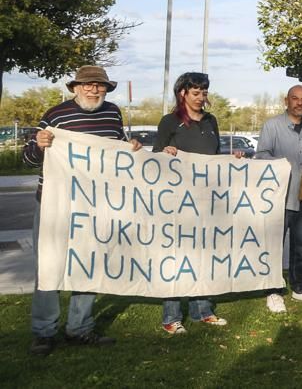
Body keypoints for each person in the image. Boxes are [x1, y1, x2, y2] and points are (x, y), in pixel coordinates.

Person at [24, 66, 140, 355]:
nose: (93, 90)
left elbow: (115, 152)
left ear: (106, 89)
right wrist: (39, 145)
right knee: (49, 265)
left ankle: (80, 328)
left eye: (99, 86)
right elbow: (28, 158)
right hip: (54, 203)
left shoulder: (113, 113)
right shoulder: (55, 115)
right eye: (87, 85)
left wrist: (131, 148)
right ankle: (44, 331)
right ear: (75, 88)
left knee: (88, 264)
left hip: (94, 205)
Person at [154, 72, 235, 334]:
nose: (201, 97)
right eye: (195, 93)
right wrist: (166, 153)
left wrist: (233, 161)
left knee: (203, 256)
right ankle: (171, 316)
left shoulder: (211, 121)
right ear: (183, 94)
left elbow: (215, 158)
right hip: (178, 202)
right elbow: (155, 158)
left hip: (207, 201)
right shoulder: (170, 122)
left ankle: (203, 310)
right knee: (177, 257)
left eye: (204, 92)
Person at [256, 84, 302, 312]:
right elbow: (261, 156)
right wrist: (280, 165)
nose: (300, 103)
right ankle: (273, 291)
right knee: (274, 246)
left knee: (301, 246)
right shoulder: (272, 126)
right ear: (286, 101)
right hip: (279, 199)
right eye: (295, 99)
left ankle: (300, 288)